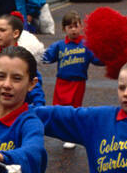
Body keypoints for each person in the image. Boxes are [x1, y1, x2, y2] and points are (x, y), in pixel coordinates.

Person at [41, 11, 102, 146]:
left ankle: (71, 136)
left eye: (76, 26)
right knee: (59, 109)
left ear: (81, 27)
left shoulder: (87, 45)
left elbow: (97, 59)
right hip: (62, 82)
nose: (73, 29)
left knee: (74, 110)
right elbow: (46, 57)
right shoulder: (59, 45)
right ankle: (60, 130)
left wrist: (107, 56)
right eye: (70, 27)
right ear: (64, 29)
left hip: (78, 82)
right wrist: (36, 54)